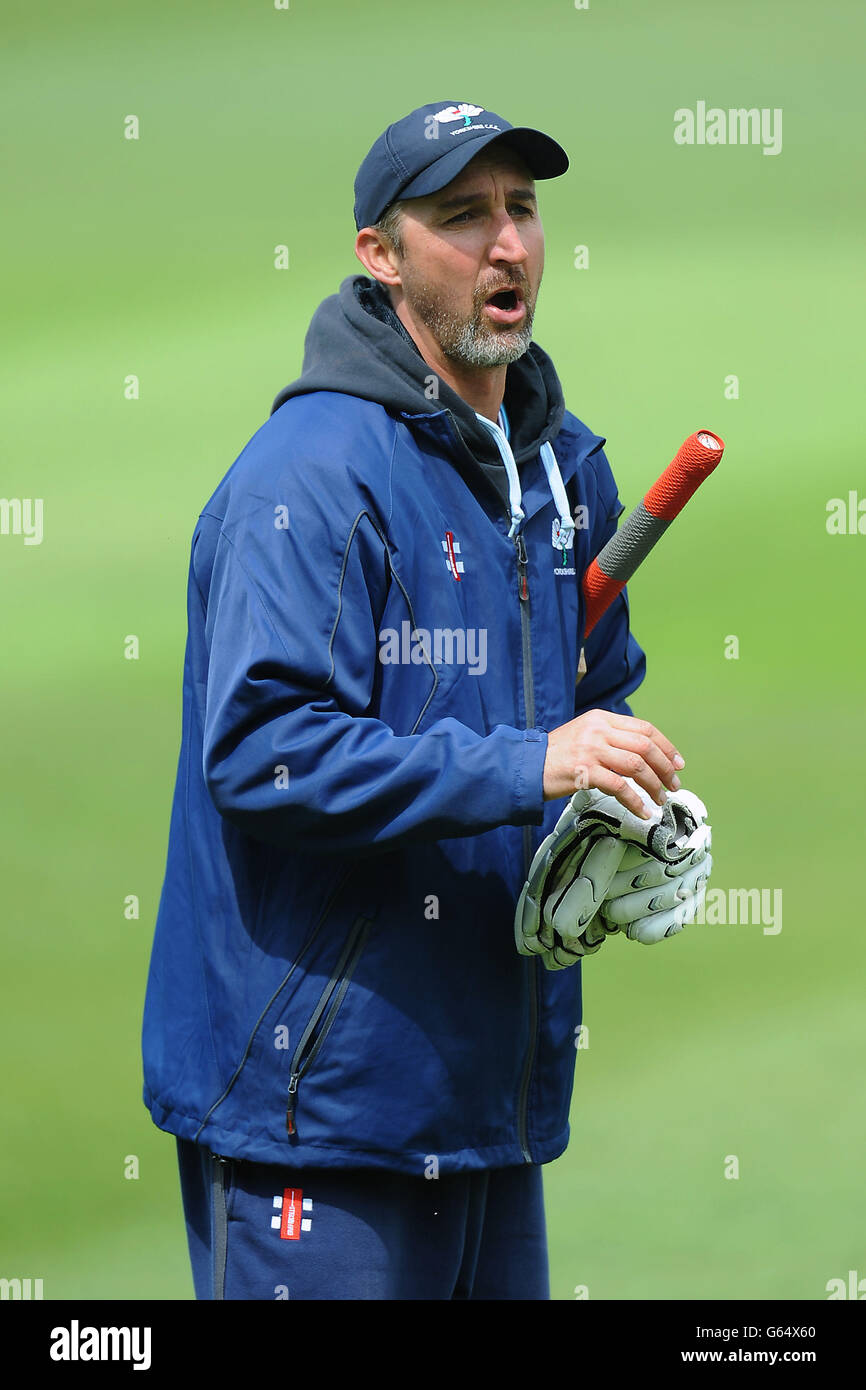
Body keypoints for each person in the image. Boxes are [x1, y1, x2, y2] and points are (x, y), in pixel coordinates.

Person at [142, 100, 685, 1301]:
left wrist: (621, 819)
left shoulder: (561, 468)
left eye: (520, 210)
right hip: (316, 1113)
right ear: (379, 257)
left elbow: (593, 695)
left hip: (483, 1091)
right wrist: (528, 765)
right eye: (460, 219)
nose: (506, 245)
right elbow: (265, 752)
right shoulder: (311, 476)